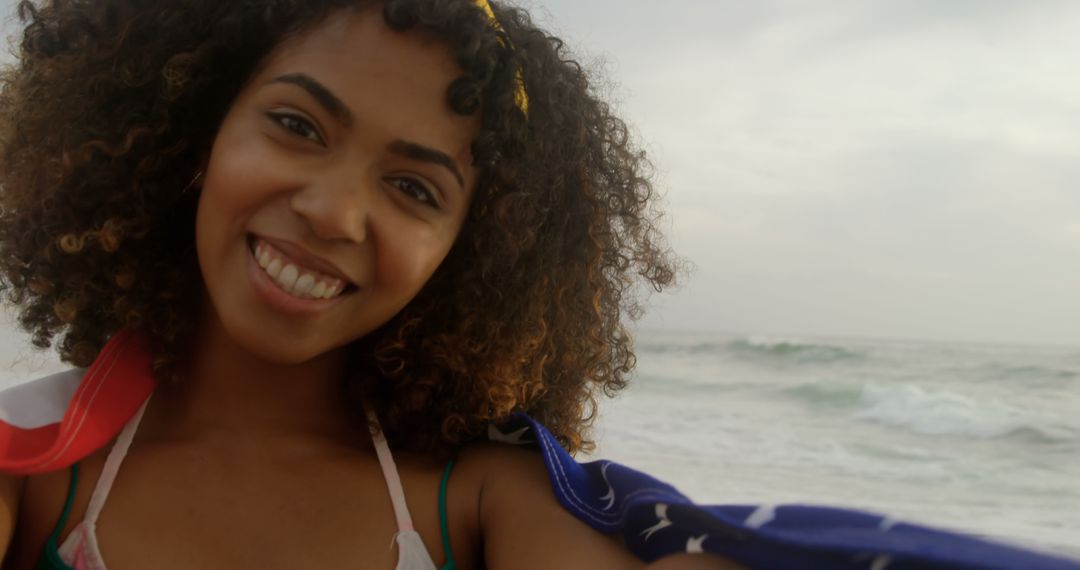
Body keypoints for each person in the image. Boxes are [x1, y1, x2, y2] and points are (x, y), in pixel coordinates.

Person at [0, 0, 744, 568]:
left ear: (469, 253)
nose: (332, 214)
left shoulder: (485, 498)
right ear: (201, 128)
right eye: (297, 124)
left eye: (415, 189)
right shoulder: (32, 465)